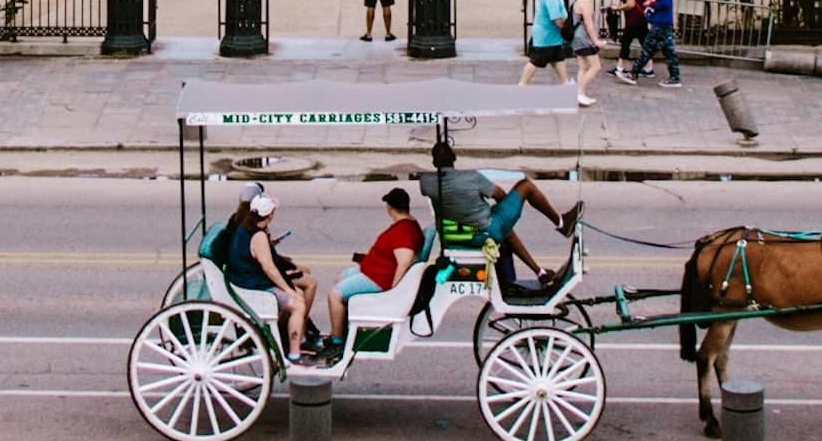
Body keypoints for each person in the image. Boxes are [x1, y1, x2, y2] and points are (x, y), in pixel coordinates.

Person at [418, 138, 581, 285]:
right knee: (526, 186)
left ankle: (540, 272)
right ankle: (561, 223)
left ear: (434, 163)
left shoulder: (427, 182)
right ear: (454, 158)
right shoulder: (471, 177)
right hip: (483, 231)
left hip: (456, 233)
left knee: (505, 230)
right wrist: (503, 209)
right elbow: (500, 194)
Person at [322, 187, 424, 358]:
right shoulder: (408, 225)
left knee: (334, 295)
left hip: (380, 277)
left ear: (390, 208)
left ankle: (337, 341)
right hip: (373, 269)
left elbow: (404, 261)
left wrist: (394, 290)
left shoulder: (403, 232)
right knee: (339, 278)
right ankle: (344, 327)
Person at [224, 191, 317, 363]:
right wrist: (288, 290)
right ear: (270, 215)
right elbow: (269, 269)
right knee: (298, 304)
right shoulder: (258, 236)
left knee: (299, 295)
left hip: (246, 276)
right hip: (253, 283)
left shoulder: (246, 227)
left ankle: (294, 336)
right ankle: (295, 354)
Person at [519, 0, 570, 87]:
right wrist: (567, 29)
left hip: (551, 36)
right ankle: (522, 85)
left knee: (558, 59)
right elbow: (556, 18)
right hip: (547, 36)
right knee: (536, 61)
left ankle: (566, 84)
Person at [637, 0, 681, 87]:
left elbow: (664, 3)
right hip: (666, 22)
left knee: (648, 49)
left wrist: (650, 4)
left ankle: (634, 72)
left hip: (660, 22)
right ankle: (675, 77)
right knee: (669, 52)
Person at [569, 0, 602, 106]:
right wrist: (596, 41)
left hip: (577, 37)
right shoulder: (585, 1)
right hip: (584, 38)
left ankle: (579, 93)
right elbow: (589, 23)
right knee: (596, 66)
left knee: (583, 66)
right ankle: (580, 93)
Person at [614, 0, 650, 82]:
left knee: (626, 42)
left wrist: (618, 8)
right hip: (641, 19)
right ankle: (649, 69)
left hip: (633, 20)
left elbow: (631, 4)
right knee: (646, 44)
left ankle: (620, 67)